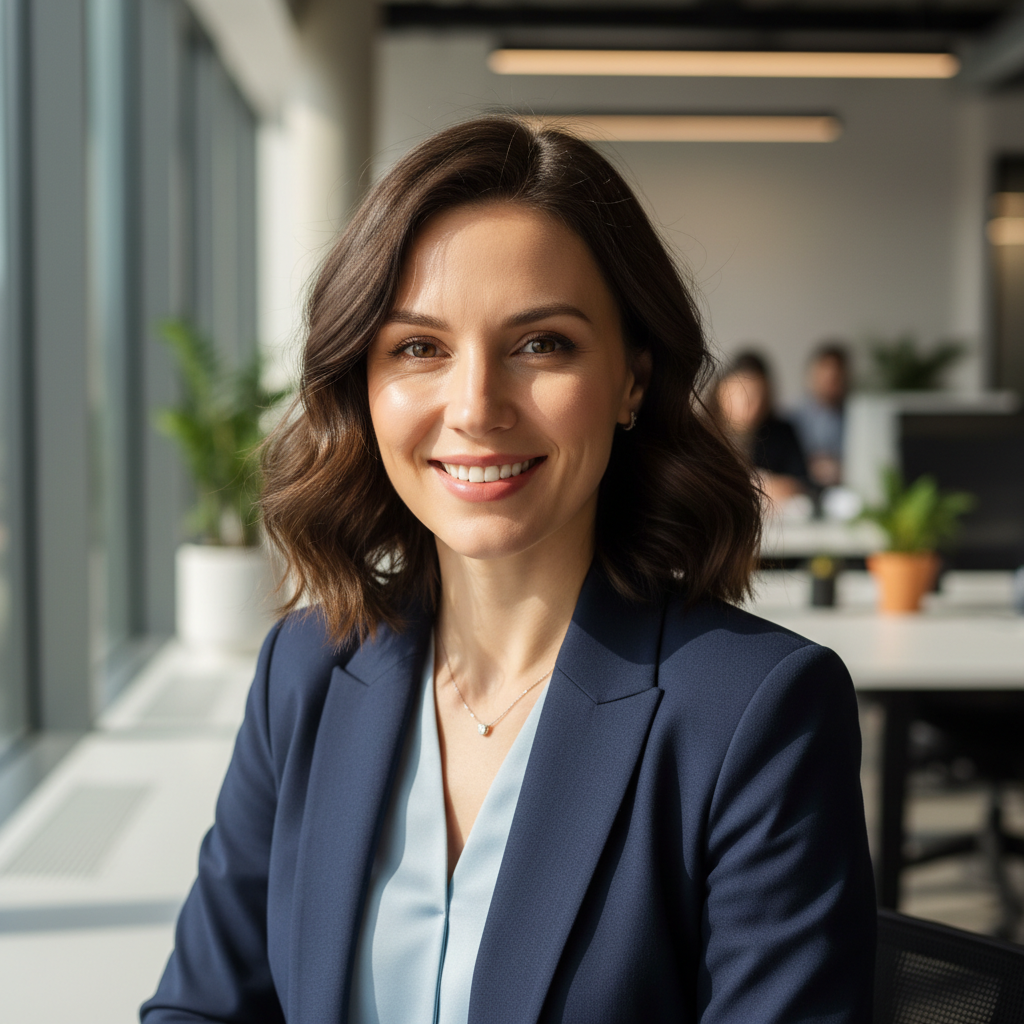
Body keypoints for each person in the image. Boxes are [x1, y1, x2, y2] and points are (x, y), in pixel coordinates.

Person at [142, 116, 874, 1024]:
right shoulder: (308, 670)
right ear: (363, 386)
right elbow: (201, 1007)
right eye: (419, 348)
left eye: (542, 344)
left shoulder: (754, 714)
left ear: (634, 379)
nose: (476, 406)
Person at [713, 351, 810, 508]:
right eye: (740, 393)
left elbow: (801, 483)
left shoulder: (782, 432)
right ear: (720, 391)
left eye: (758, 395)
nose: (750, 404)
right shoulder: (700, 431)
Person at [791, 343, 850, 489]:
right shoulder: (791, 419)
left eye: (836, 377)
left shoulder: (856, 418)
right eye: (825, 374)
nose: (830, 381)